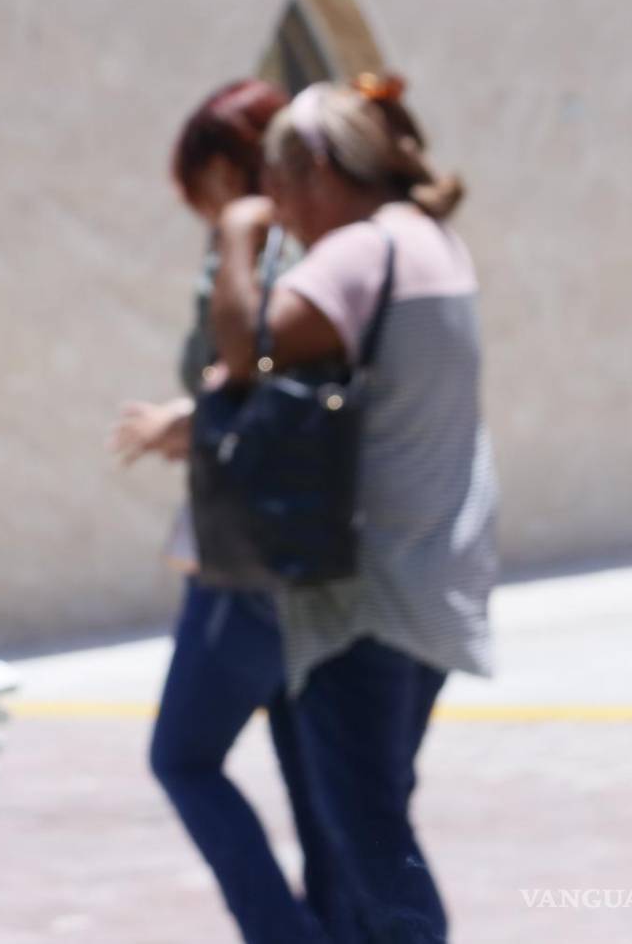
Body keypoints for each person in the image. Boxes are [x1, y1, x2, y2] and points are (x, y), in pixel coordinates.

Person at [209, 74, 498, 943]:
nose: (275, 204)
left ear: (321, 169)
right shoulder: (431, 239)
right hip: (434, 574)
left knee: (369, 840)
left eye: (278, 178)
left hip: (361, 596)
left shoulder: (360, 251)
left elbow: (243, 344)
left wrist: (232, 237)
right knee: (369, 819)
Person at [111, 80, 336, 943]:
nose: (203, 206)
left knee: (182, 756)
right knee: (315, 783)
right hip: (307, 555)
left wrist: (190, 417)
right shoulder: (317, 249)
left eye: (207, 179)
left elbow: (259, 376)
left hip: (249, 553)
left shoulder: (255, 246)